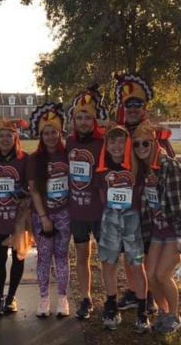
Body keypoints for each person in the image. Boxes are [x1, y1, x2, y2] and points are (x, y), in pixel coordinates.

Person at [113, 73, 175, 313]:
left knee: (147, 252)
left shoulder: (154, 133)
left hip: (149, 203)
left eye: (137, 104)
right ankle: (133, 290)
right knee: (128, 251)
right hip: (124, 201)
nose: (132, 108)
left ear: (144, 108)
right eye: (128, 104)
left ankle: (147, 293)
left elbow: (168, 162)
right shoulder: (117, 133)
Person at [132, 120, 181, 334]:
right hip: (157, 232)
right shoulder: (143, 169)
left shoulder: (169, 166)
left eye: (145, 144)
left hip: (173, 231)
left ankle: (174, 316)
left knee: (162, 275)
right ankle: (163, 312)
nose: (141, 148)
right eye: (136, 144)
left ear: (154, 144)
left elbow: (180, 203)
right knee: (149, 276)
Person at [96, 122, 150, 333]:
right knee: (108, 263)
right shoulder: (102, 169)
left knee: (137, 264)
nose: (117, 146)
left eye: (121, 141)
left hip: (132, 220)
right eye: (112, 141)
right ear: (106, 145)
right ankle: (111, 306)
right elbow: (102, 197)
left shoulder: (136, 165)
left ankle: (142, 310)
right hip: (110, 218)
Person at [65, 85, 108, 319]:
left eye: (87, 117)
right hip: (78, 213)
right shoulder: (68, 144)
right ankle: (86, 298)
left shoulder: (102, 142)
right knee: (82, 258)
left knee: (106, 258)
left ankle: (110, 297)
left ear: (94, 120)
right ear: (74, 120)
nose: (83, 122)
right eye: (79, 117)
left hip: (100, 211)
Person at [27, 103, 71, 317]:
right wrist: (43, 216)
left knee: (62, 256)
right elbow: (34, 191)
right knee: (44, 257)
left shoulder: (68, 155)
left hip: (64, 214)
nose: (51, 136)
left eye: (54, 132)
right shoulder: (35, 159)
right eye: (46, 133)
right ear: (41, 136)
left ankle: (63, 299)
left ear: (59, 133)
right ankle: (44, 298)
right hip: (42, 215)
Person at [0, 117, 29, 316]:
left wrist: (21, 192)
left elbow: (32, 187)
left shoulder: (24, 158)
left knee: (17, 257)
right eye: (1, 136)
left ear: (16, 138)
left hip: (18, 218)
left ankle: (11, 297)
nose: (5, 140)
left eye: (9, 136)